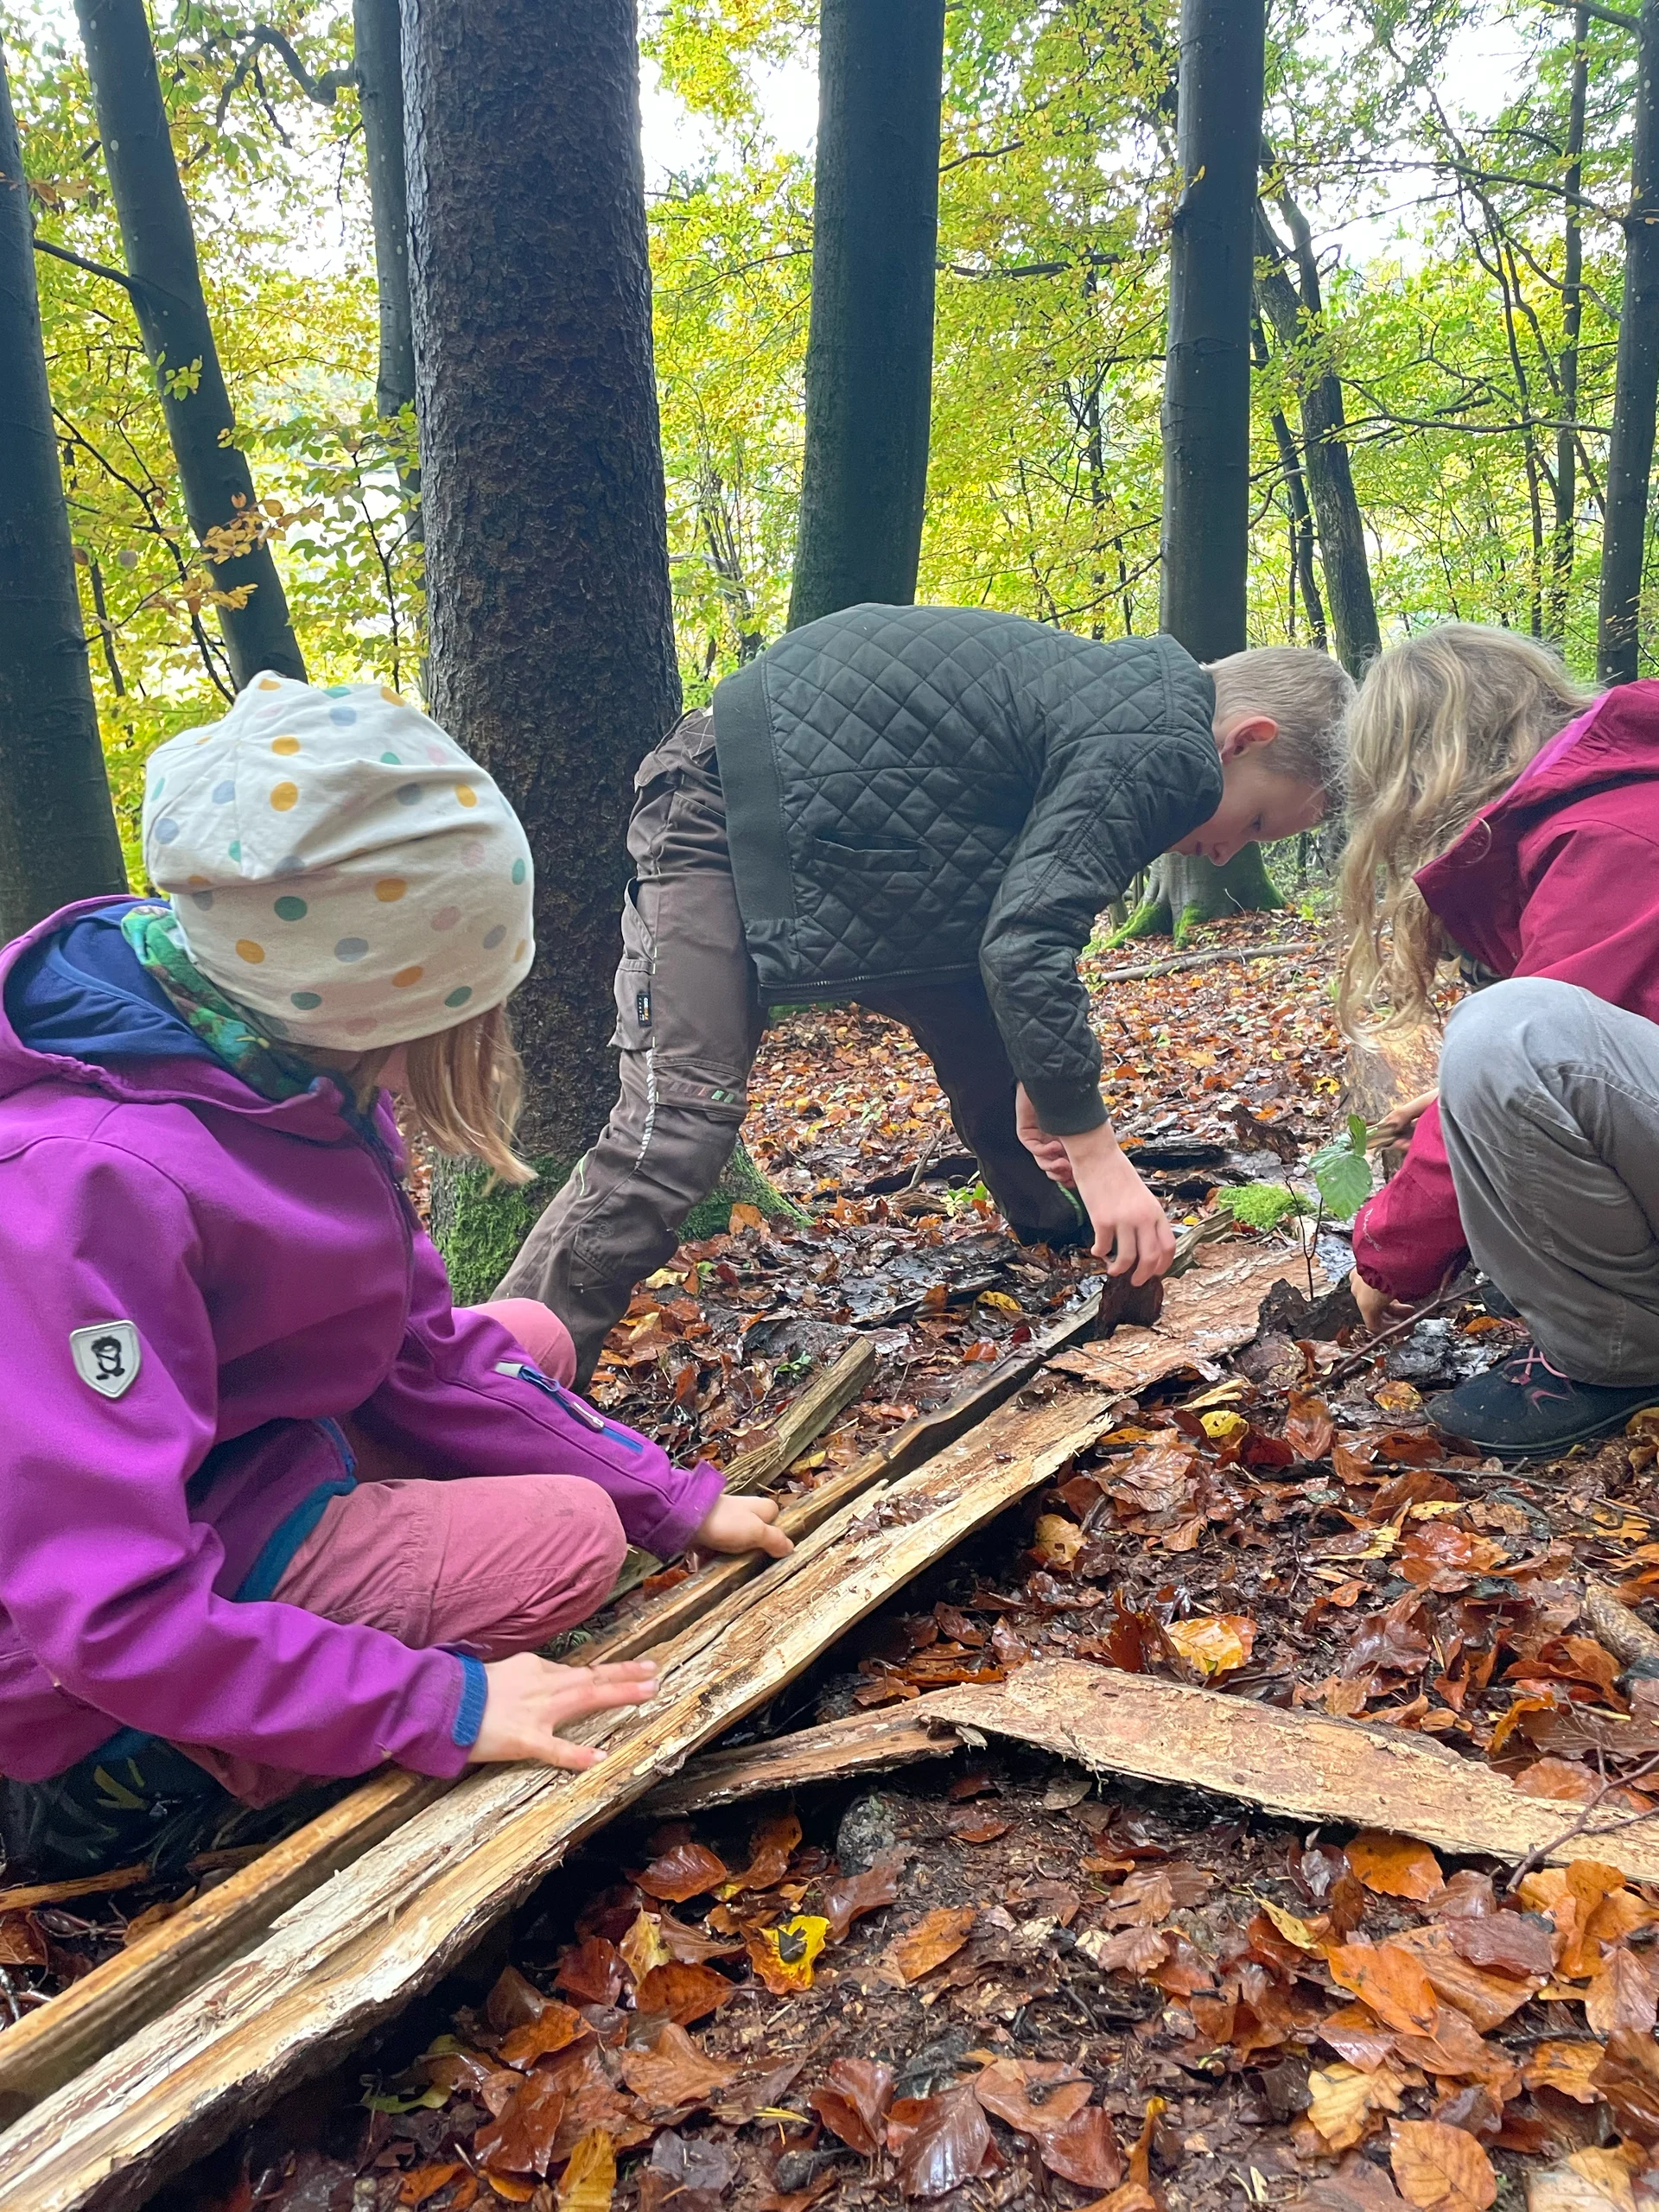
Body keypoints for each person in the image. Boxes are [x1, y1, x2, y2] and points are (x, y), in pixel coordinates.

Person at [0, 676, 789, 1878]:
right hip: (74, 1652)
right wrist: (445, 1706)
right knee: (565, 1541)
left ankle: (285, 1637)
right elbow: (104, 1605)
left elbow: (420, 1345)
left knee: (529, 1335)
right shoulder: (82, 1191)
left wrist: (669, 1500)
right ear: (380, 998)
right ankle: (115, 1780)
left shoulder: (262, 1053)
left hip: (237, 1459)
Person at [501, 603, 1351, 1382]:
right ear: (1243, 739)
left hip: (856, 844)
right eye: (1258, 825)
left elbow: (1013, 930)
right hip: (722, 804)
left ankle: (1063, 1248)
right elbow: (1028, 940)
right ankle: (502, 1379)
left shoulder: (1131, 707)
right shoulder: (1166, 744)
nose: (1228, 852)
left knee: (994, 1058)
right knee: (675, 1126)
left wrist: (1047, 1089)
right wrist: (1097, 1153)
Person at [1341, 623, 1659, 1456]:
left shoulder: (1614, 836)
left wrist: (1385, 1253)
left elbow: (1538, 1045)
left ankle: (1617, 1357)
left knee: (1505, 1035)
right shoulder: (1615, 802)